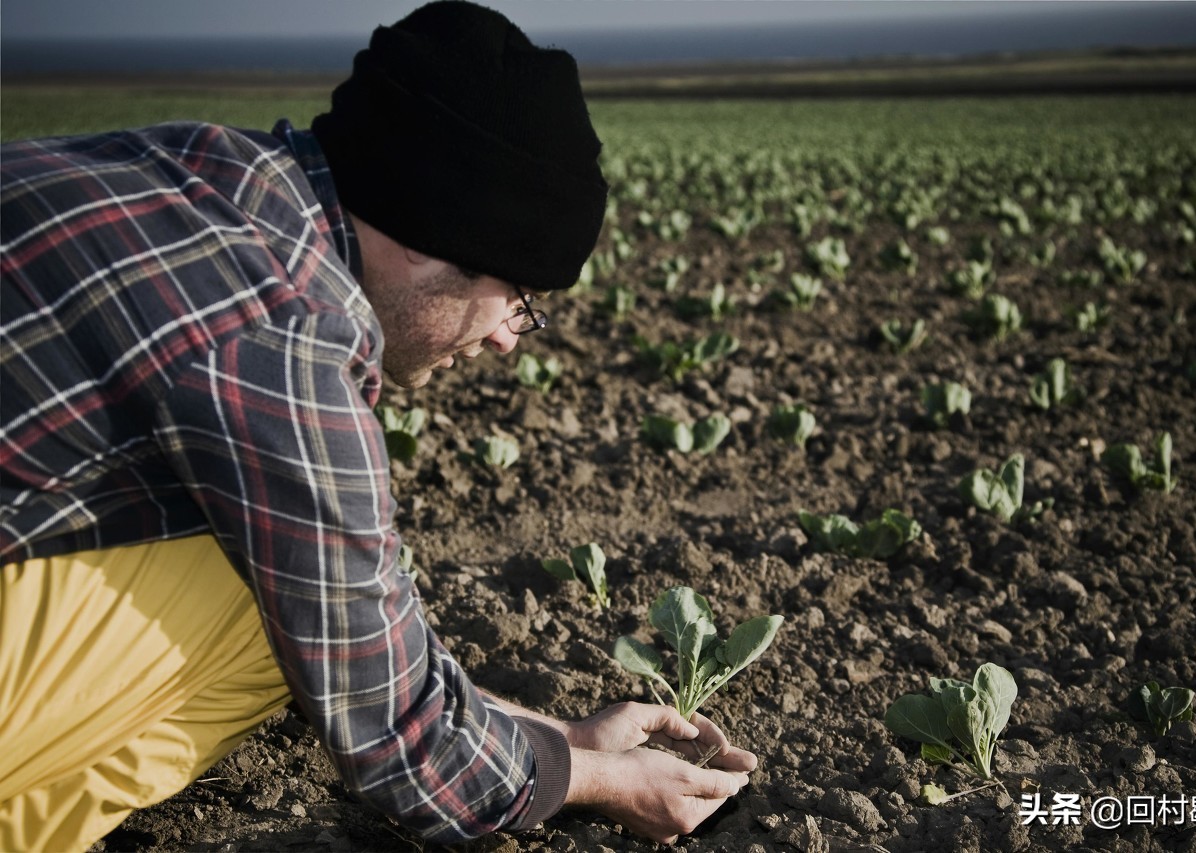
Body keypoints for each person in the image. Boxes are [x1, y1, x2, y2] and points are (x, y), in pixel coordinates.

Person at [0, 2, 757, 849]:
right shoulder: (285, 337)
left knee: (273, 579)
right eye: (519, 297)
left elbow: (358, 642)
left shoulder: (205, 172)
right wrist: (599, 779)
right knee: (255, 609)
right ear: (434, 242)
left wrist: (560, 737)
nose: (511, 335)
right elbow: (401, 738)